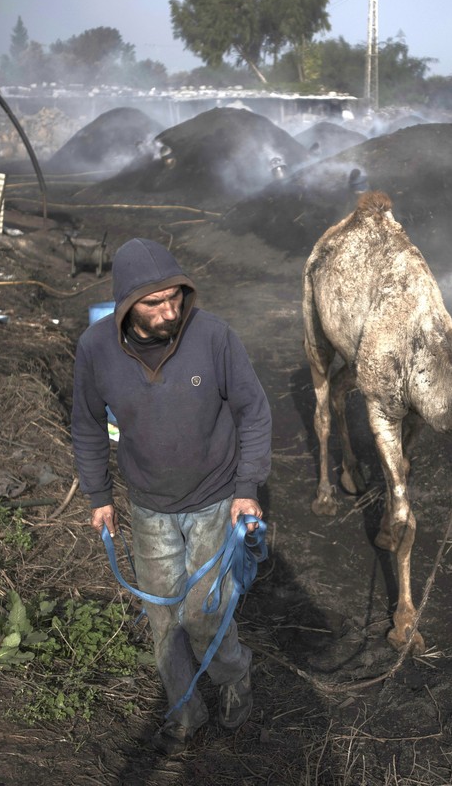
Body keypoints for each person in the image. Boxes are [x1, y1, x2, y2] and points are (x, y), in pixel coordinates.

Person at [71, 238, 272, 756]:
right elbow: (89, 426)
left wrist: (246, 490)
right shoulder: (96, 349)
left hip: (213, 497)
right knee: (164, 619)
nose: (170, 311)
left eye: (176, 297)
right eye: (155, 302)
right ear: (125, 306)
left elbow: (253, 410)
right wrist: (99, 495)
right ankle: (185, 709)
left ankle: (233, 678)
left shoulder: (214, 337)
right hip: (148, 505)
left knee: (205, 613)